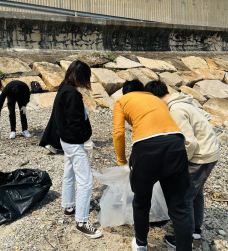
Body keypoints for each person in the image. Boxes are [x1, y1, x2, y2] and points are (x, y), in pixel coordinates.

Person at [113, 79, 192, 251]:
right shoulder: (156, 99)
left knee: (141, 201)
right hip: (176, 144)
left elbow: (118, 133)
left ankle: (141, 244)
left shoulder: (122, 101)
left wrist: (122, 162)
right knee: (178, 207)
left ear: (126, 93)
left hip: (146, 149)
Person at [145, 80, 220, 247]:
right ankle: (196, 232)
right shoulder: (184, 101)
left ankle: (187, 239)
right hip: (210, 152)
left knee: (184, 197)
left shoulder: (176, 110)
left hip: (201, 157)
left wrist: (178, 165)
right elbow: (206, 117)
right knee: (196, 193)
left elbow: (189, 143)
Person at [54, 60, 102, 239]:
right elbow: (76, 123)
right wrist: (85, 139)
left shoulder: (63, 88)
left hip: (65, 140)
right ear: (81, 77)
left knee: (69, 173)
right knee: (85, 181)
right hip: (74, 142)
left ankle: (68, 206)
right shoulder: (72, 94)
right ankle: (81, 222)